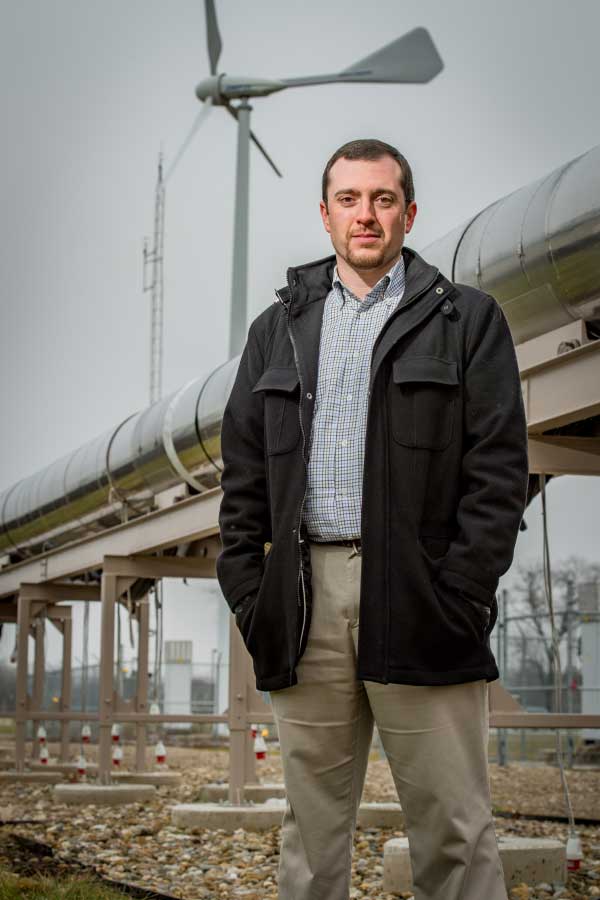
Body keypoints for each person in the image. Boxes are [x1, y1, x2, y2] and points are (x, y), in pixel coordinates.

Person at [216, 138, 529, 900]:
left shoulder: (468, 322)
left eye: (383, 200)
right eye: (350, 200)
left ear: (409, 213)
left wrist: (462, 593)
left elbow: (499, 471)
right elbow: (243, 474)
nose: (367, 215)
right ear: (324, 215)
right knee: (311, 831)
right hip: (302, 602)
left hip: (422, 595)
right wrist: (253, 597)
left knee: (454, 829)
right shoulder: (278, 330)